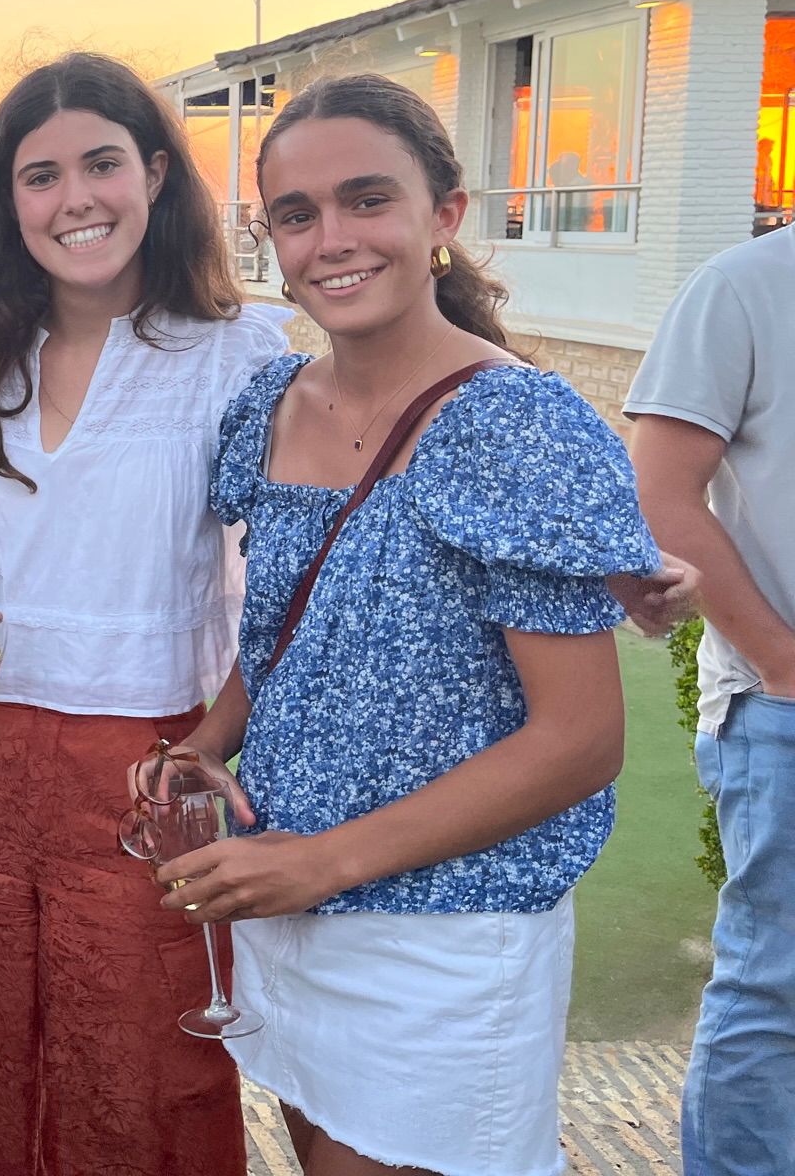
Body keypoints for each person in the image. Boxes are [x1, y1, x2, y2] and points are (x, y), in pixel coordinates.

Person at [153, 74, 667, 1176]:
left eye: (364, 199)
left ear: (442, 215)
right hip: (288, 910)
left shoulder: (513, 425)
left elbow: (577, 741)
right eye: (294, 215)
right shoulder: (271, 405)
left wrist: (324, 865)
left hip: (441, 932)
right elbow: (293, 624)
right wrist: (206, 741)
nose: (329, 238)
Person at [0, 52, 284, 1174]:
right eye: (39, 176)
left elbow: (296, 572)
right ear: (3, 201)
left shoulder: (239, 357)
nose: (74, 199)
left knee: (147, 1058)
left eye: (101, 164)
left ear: (156, 175)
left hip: (152, 757)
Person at [626, 218, 795, 1176]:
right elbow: (660, 490)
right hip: (785, 715)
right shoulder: (744, 287)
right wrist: (782, 662)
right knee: (777, 997)